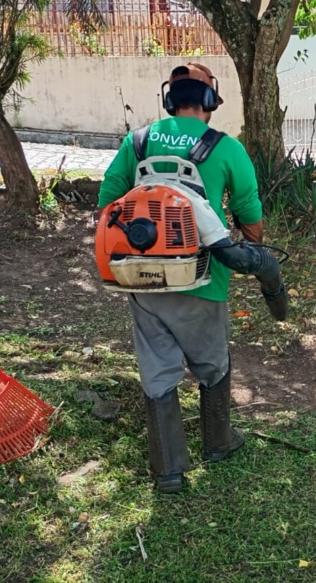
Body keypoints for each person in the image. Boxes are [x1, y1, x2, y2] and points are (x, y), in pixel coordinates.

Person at [96, 63, 263, 494]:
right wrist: (254, 253)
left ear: (169, 98)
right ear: (209, 102)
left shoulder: (137, 142)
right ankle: (219, 443)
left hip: (141, 276)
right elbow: (250, 217)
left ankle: (169, 470)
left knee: (157, 367)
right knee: (212, 361)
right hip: (205, 277)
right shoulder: (227, 149)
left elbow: (108, 201)